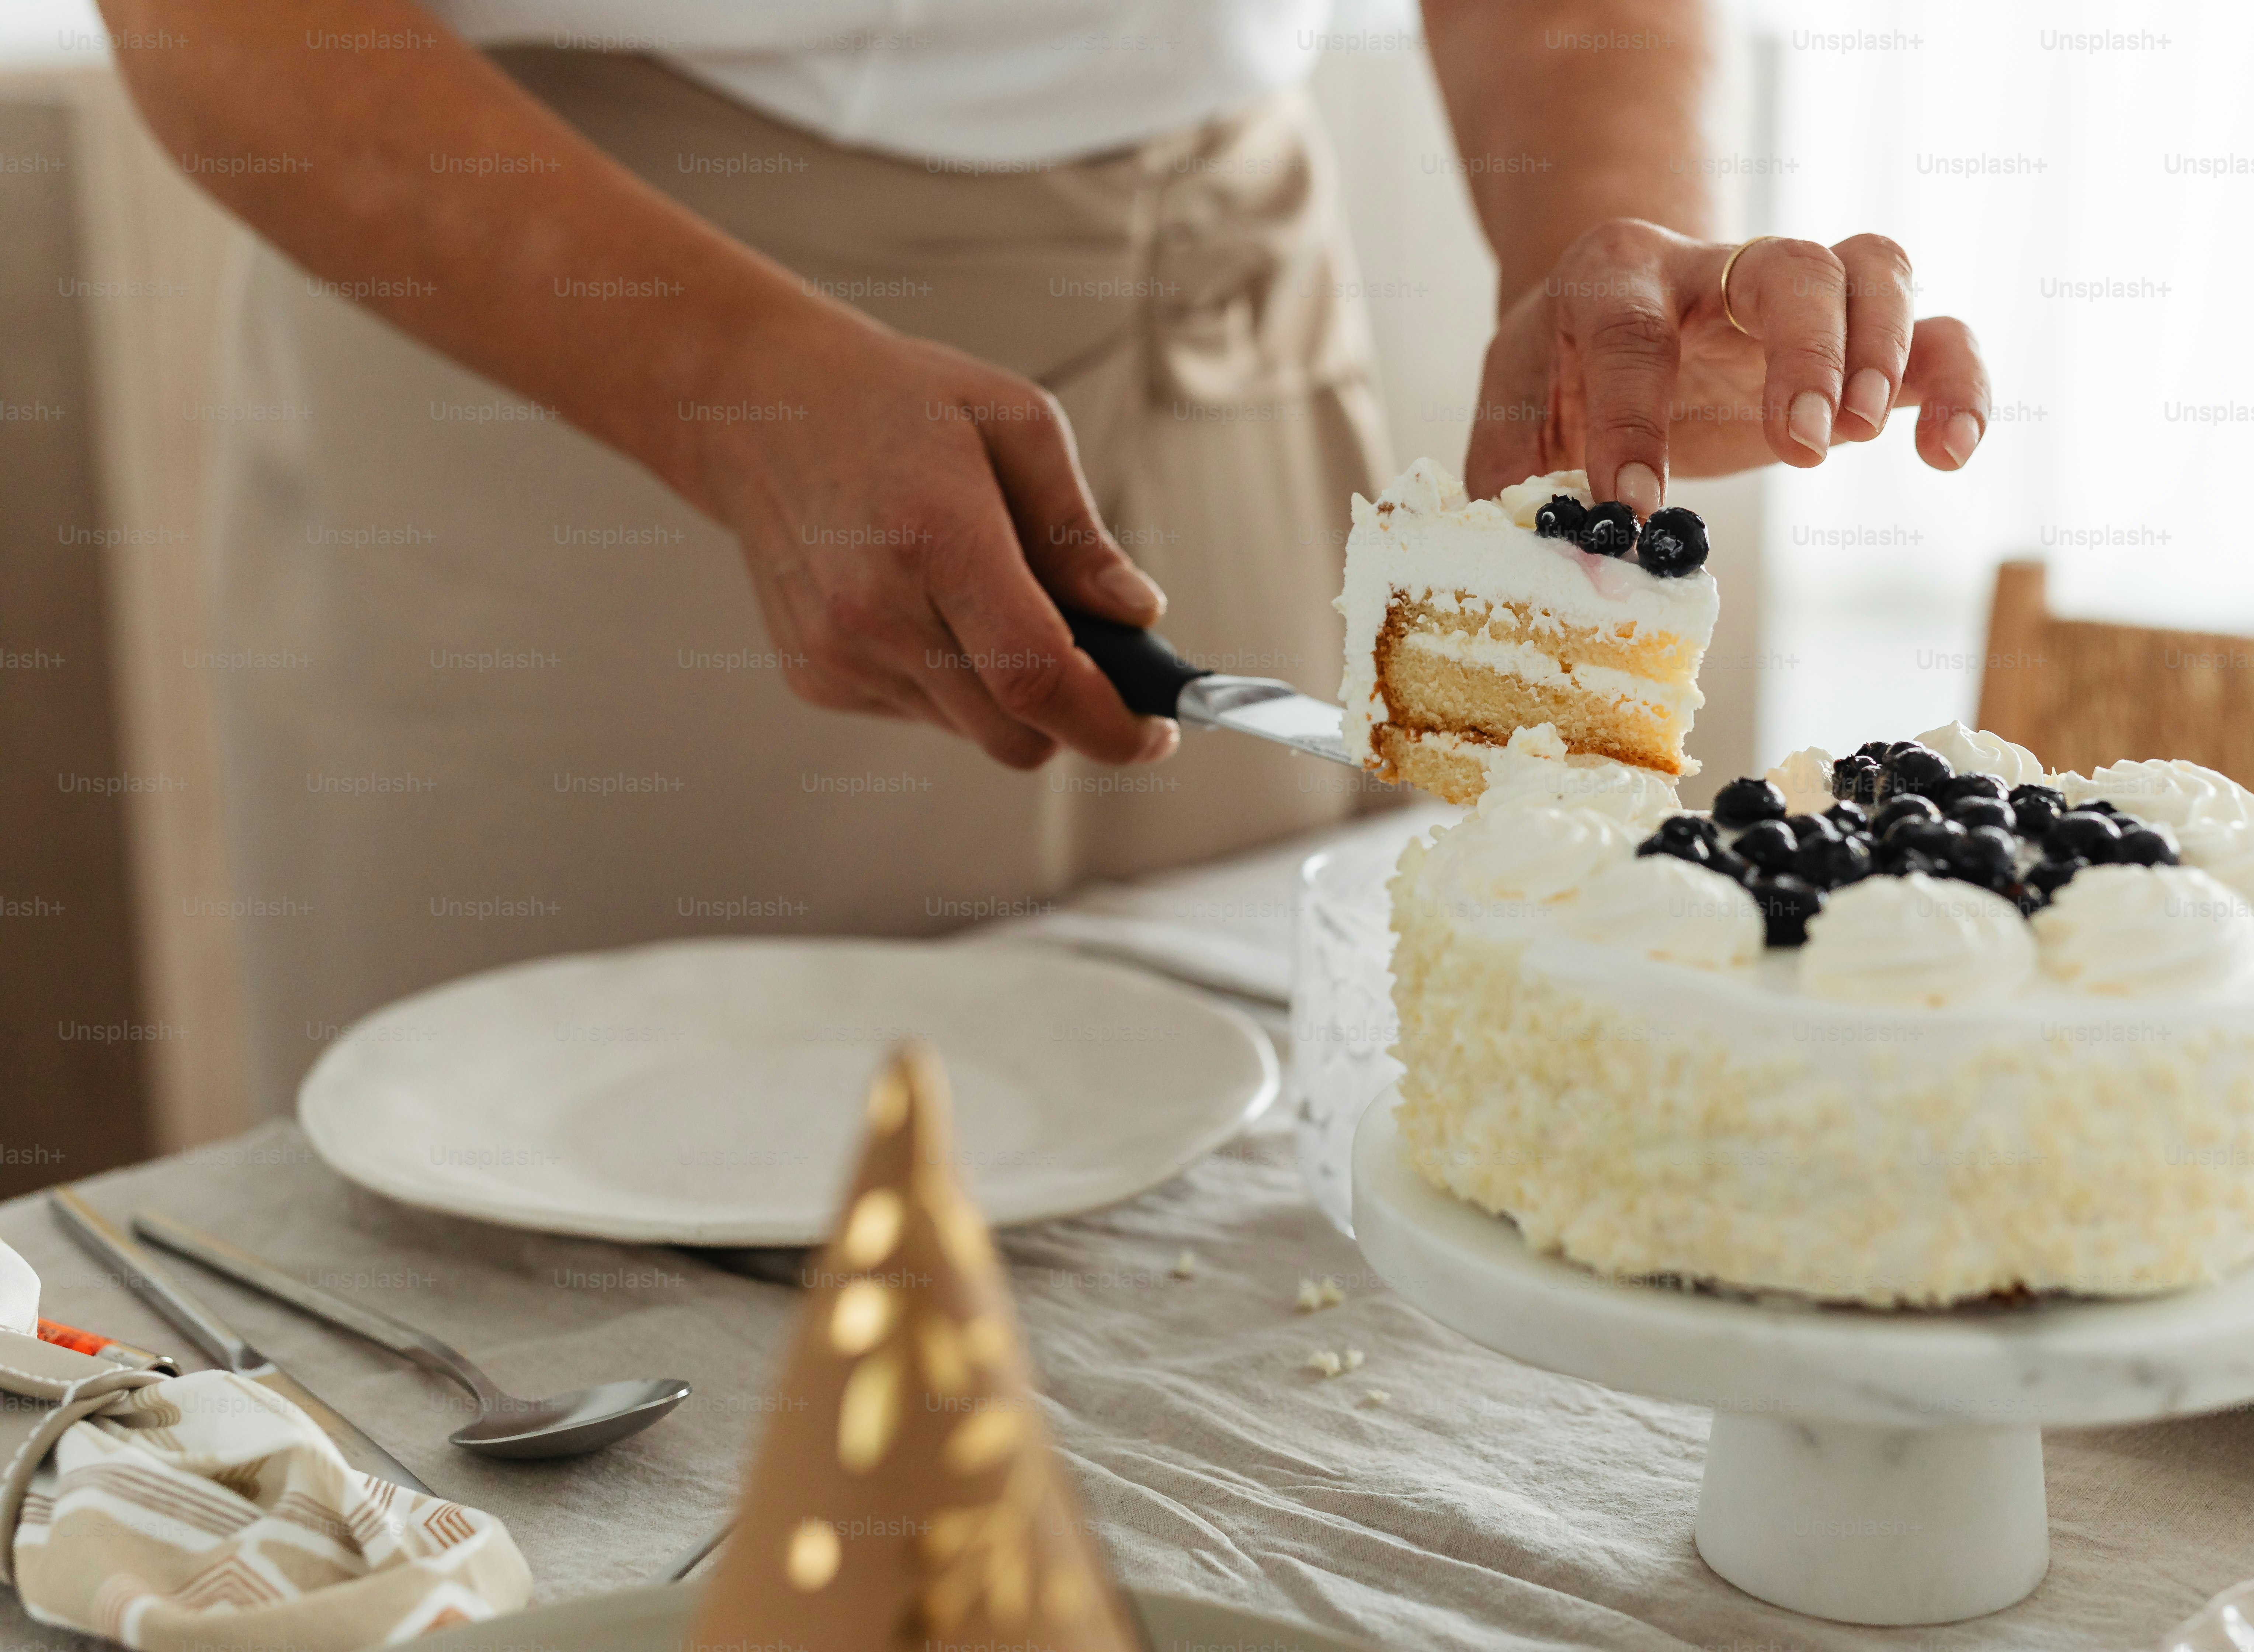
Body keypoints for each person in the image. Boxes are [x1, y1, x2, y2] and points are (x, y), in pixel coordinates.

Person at [104, 0, 1987, 1113]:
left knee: (1250, 1283)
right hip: (597, 363)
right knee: (606, 1346)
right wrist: (720, 386)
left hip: (1236, 323)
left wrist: (1615, 237)